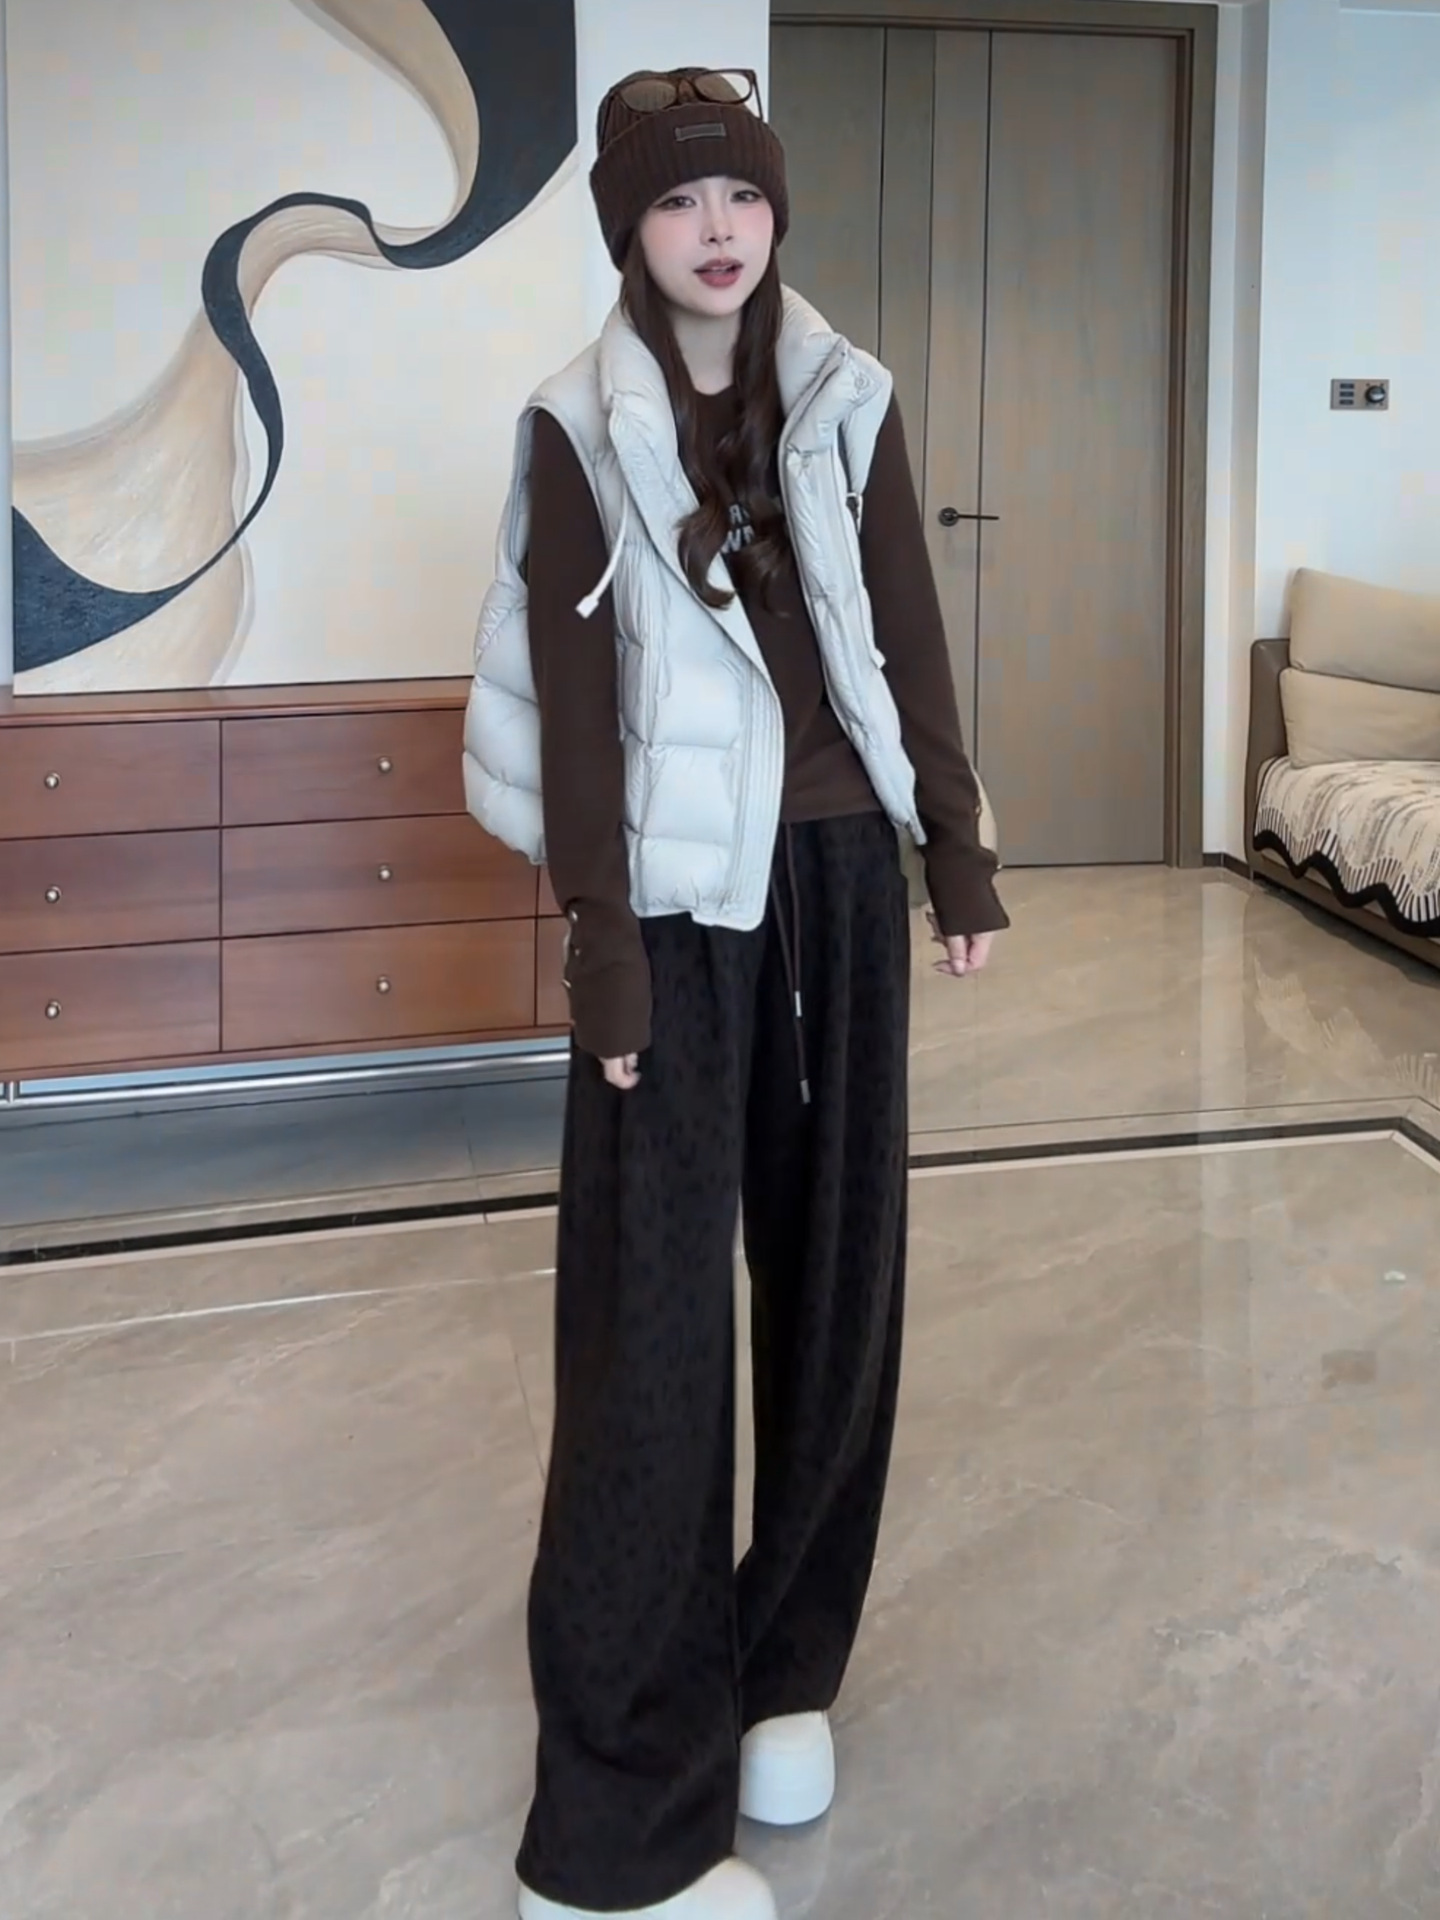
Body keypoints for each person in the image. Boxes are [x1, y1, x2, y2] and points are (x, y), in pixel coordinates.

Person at [464, 65, 1009, 1920]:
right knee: (651, 1346)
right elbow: (577, 708)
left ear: (775, 214)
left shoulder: (847, 398)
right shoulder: (575, 425)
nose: (719, 229)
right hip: (677, 916)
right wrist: (601, 945)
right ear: (631, 226)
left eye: (744, 197)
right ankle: (611, 1837)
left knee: (842, 1288)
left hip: (840, 881)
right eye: (681, 199)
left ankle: (780, 1671)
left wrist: (956, 846)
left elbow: (904, 630)